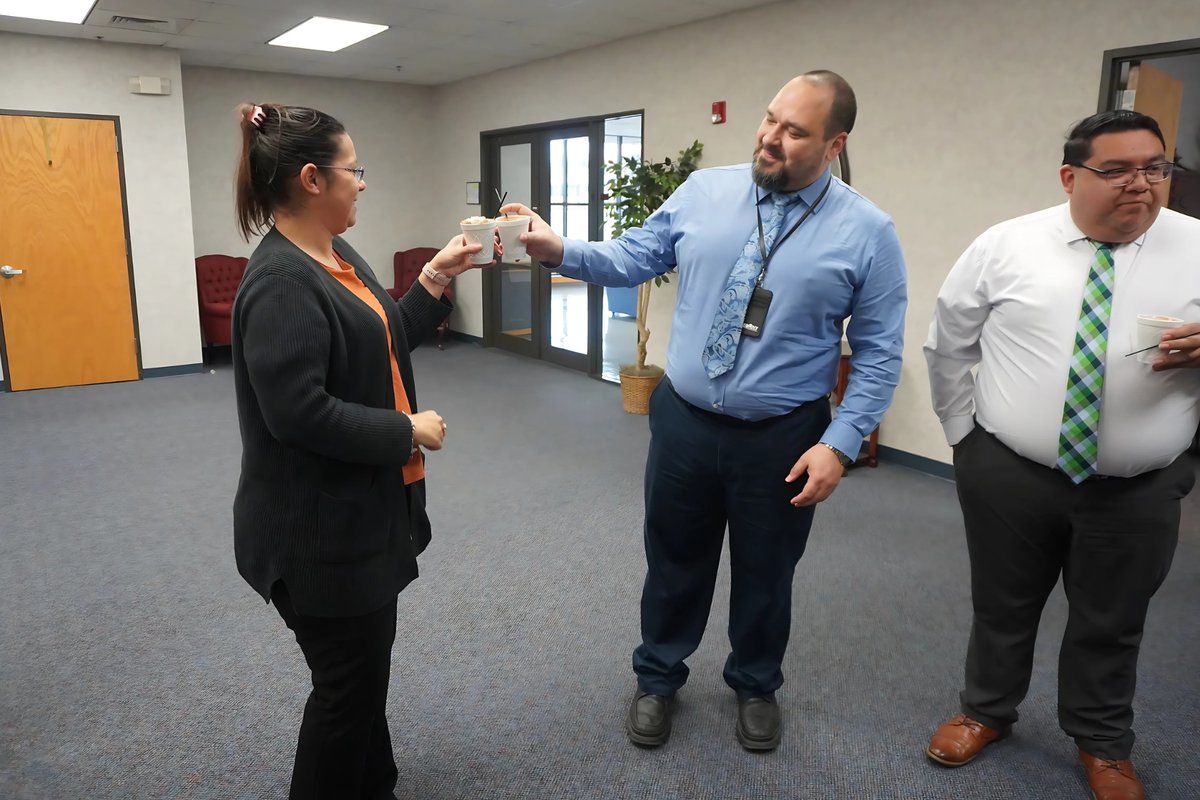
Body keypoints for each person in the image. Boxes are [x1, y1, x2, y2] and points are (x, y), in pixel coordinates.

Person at [501, 70, 907, 752]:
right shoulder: (705, 191)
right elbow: (635, 256)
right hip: (685, 420)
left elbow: (879, 352)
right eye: (770, 118)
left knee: (766, 572)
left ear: (836, 143)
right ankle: (657, 675)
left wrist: (840, 443)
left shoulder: (867, 232)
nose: (771, 138)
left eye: (795, 130)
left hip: (784, 437)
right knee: (673, 559)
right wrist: (560, 249)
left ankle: (755, 683)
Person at [923, 109, 1200, 800]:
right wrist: (963, 437)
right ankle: (985, 710)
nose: (1140, 184)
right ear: (1070, 175)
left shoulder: (1198, 245)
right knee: (1002, 603)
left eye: (1155, 168)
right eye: (1117, 170)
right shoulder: (1005, 244)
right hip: (1010, 474)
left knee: (1112, 619)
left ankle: (1103, 744)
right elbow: (950, 341)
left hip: (1139, 486)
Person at [230, 102, 489, 799]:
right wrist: (407, 430)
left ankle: (374, 783)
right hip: (316, 539)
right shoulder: (283, 281)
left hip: (359, 519)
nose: (363, 183)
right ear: (312, 179)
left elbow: (378, 343)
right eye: (355, 169)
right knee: (346, 691)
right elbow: (298, 414)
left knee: (359, 676)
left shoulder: (335, 252)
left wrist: (433, 279)